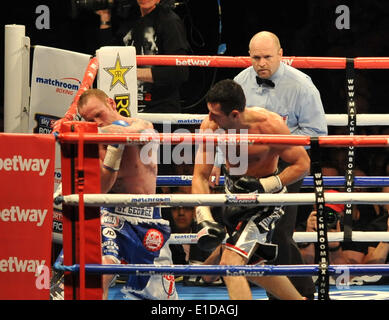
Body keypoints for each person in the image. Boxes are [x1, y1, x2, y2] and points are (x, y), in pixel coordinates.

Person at [210, 31, 327, 299]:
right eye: (256, 57)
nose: (261, 63)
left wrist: (277, 143)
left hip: (288, 166)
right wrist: (217, 161)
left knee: (280, 235)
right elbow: (222, 125)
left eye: (267, 57)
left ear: (281, 54)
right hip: (242, 172)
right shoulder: (240, 82)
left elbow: (316, 132)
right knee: (251, 247)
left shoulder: (302, 85)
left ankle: (301, 292)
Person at [191, 79, 310, 300]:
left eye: (215, 114)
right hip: (233, 194)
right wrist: (204, 215)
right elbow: (200, 175)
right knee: (255, 264)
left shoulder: (269, 126)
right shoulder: (211, 127)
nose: (209, 119)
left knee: (231, 264)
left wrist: (265, 186)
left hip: (265, 200)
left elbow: (302, 164)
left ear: (234, 114)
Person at [77, 88, 178, 300]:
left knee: (162, 299)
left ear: (111, 104)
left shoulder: (142, 126)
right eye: (89, 120)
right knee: (100, 272)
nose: (97, 122)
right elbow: (102, 190)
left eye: (99, 115)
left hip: (148, 218)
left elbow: (138, 131)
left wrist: (110, 133)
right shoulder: (95, 144)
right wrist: (113, 150)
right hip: (112, 214)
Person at [96, 0, 190, 114]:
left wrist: (130, 73)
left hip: (159, 109)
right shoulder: (130, 20)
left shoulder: (170, 21)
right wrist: (104, 20)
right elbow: (110, 55)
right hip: (128, 106)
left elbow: (180, 71)